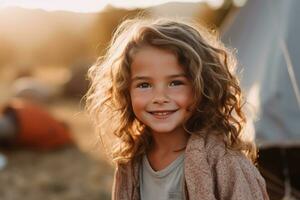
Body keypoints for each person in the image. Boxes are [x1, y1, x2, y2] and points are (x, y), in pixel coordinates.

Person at [85, 18, 270, 200]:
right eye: (144, 85)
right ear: (126, 92)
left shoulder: (225, 162)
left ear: (202, 87)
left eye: (175, 83)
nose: (159, 98)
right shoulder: (130, 162)